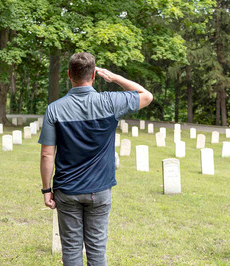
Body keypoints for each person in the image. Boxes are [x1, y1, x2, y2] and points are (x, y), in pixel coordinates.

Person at [38, 52, 153, 265]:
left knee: (71, 252)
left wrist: (46, 190)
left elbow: (47, 154)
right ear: (93, 76)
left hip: (67, 190)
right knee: (97, 251)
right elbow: (146, 95)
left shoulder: (54, 109)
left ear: (69, 75)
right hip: (99, 191)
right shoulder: (110, 101)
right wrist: (115, 78)